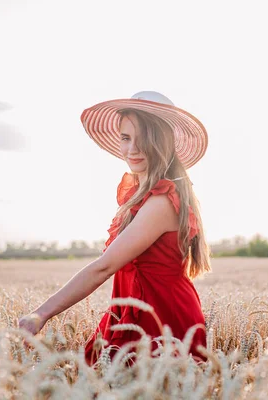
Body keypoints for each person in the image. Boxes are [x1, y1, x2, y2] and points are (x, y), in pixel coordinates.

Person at [18, 91, 211, 367]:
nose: (132, 149)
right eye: (125, 138)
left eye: (144, 138)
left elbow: (104, 266)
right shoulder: (145, 196)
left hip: (160, 320)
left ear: (162, 141)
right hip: (129, 314)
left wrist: (42, 313)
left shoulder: (161, 202)